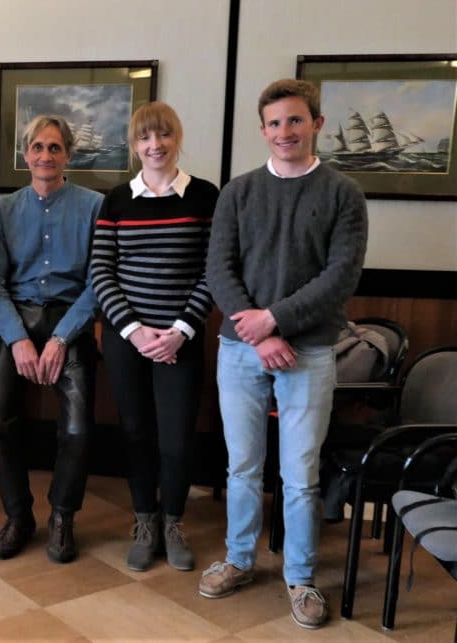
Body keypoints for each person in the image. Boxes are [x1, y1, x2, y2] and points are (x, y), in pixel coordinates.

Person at [202, 79, 368, 629]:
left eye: (295, 121)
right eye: (274, 123)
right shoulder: (239, 192)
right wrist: (259, 332)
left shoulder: (343, 194)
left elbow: (339, 277)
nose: (284, 132)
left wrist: (276, 320)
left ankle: (300, 577)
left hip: (311, 352)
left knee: (300, 474)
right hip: (240, 350)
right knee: (243, 466)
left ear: (316, 124)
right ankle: (240, 559)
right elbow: (219, 271)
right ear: (263, 130)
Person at [90, 102, 218, 572]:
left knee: (177, 440)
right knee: (137, 434)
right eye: (145, 138)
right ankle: (145, 521)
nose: (155, 145)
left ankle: (174, 522)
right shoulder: (116, 201)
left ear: (176, 138)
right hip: (128, 340)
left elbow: (214, 271)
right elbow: (101, 272)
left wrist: (180, 331)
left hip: (180, 341)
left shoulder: (205, 196)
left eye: (163, 135)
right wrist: (135, 330)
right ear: (134, 145)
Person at [0, 115, 102, 564]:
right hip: (17, 323)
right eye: (37, 147)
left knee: (78, 427)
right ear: (25, 155)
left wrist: (61, 338)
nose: (45, 156)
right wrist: (17, 340)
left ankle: (62, 516)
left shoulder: (93, 207)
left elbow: (98, 283)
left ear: (68, 154)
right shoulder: (4, 212)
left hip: (71, 324)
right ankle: (19, 515)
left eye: (55, 147)